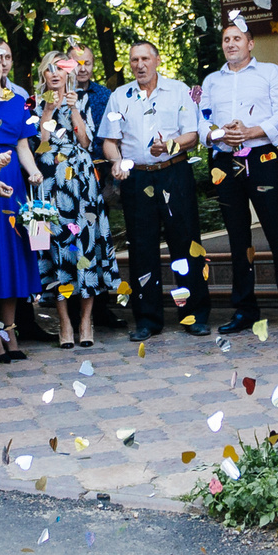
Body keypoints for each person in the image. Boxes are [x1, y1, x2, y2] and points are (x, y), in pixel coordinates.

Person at [199, 18, 278, 336]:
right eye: (226, 39)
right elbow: (201, 121)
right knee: (237, 238)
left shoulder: (270, 72)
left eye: (237, 38)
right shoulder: (211, 81)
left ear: (250, 43)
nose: (230, 44)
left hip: (262, 159)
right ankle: (244, 309)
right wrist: (218, 134)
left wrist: (250, 131)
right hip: (224, 162)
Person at [97, 41, 204, 338]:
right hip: (137, 178)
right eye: (134, 60)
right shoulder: (120, 96)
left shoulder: (178, 90)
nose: (139, 65)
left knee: (185, 244)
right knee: (142, 249)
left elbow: (192, 135)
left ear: (157, 60)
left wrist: (170, 145)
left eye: (145, 58)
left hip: (174, 173)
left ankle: (193, 315)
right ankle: (147, 320)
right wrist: (116, 162)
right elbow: (109, 141)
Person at [33, 50, 115, 349]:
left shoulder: (80, 100)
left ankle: (85, 321)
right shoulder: (34, 104)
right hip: (50, 181)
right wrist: (48, 111)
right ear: (43, 74)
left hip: (81, 181)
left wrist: (74, 110)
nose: (55, 73)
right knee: (56, 249)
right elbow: (40, 146)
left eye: (60, 68)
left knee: (85, 246)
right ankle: (65, 322)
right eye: (50, 69)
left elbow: (86, 142)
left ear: (68, 73)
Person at [0, 41, 43, 363]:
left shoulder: (18, 101)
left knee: (14, 253)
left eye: (2, 59)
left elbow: (23, 146)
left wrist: (33, 172)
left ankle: (10, 331)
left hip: (14, 181)